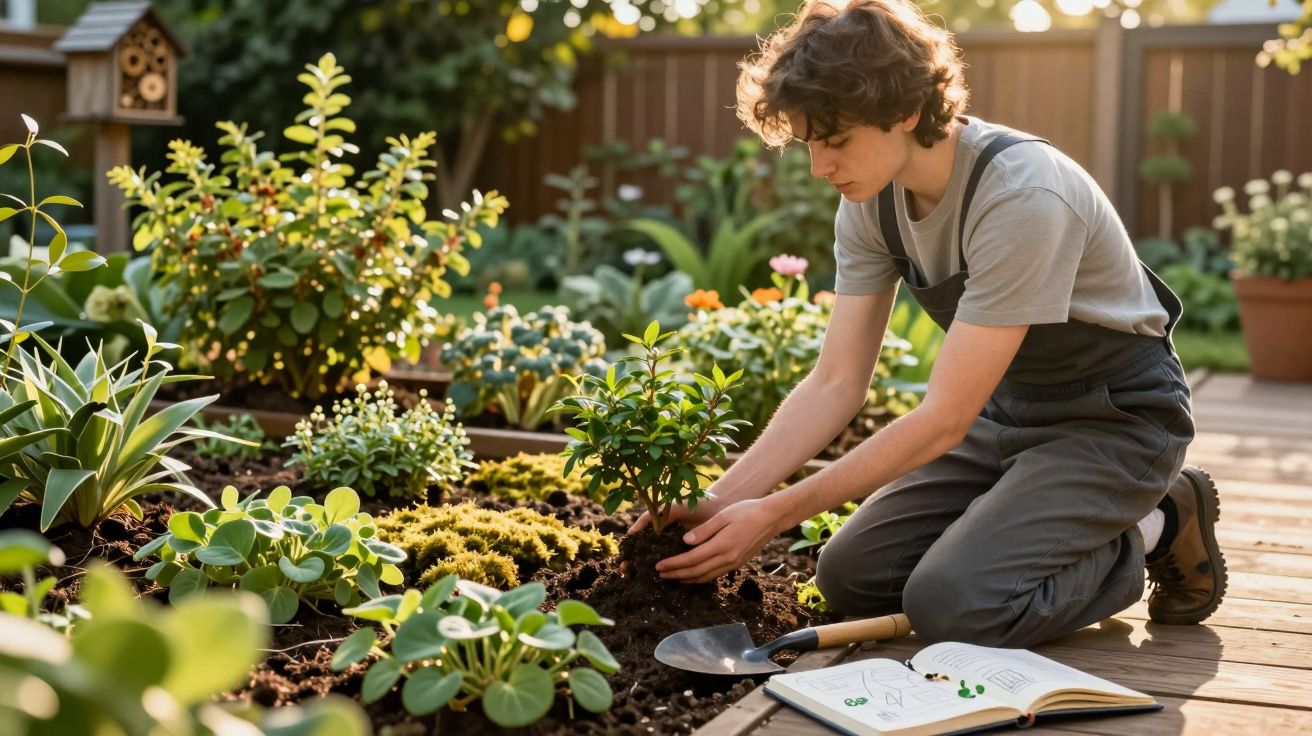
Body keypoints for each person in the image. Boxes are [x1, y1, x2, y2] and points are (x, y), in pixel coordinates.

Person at [632, 0, 1226, 648]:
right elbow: (836, 383)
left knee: (953, 605)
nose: (819, 167)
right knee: (851, 574)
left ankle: (1158, 524)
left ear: (907, 111)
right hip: (1005, 415)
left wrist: (773, 515)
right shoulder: (870, 203)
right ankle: (1026, 525)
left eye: (834, 141)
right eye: (809, 144)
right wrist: (722, 500)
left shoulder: (1022, 195)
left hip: (1115, 422)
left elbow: (942, 417)